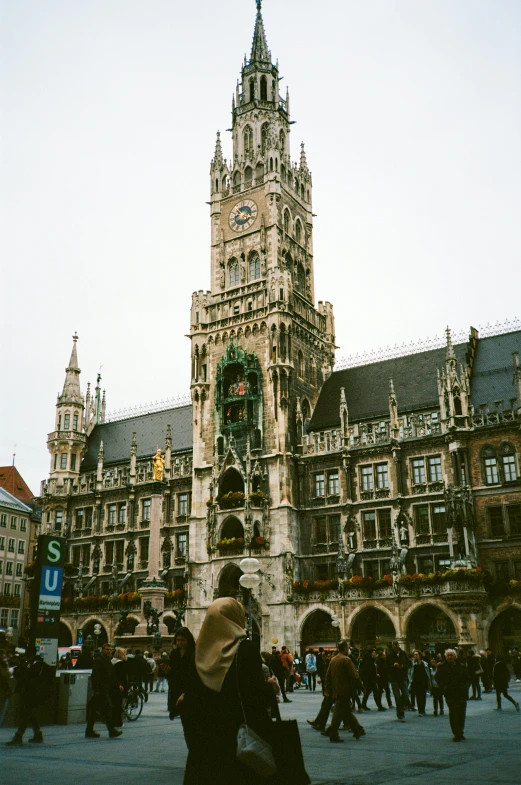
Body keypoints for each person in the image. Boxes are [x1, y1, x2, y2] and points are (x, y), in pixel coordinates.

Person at [182, 597, 272, 785]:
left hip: (205, 741)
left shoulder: (196, 655)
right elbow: (255, 697)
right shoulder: (246, 649)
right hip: (237, 737)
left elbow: (191, 700)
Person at [6, 648, 55, 745]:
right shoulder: (31, 663)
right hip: (31, 692)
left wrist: (22, 668)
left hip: (32, 693)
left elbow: (28, 676)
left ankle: (19, 735)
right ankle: (37, 733)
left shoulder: (35, 664)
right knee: (29, 713)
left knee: (26, 713)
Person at [321, 640, 365, 743]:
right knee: (338, 713)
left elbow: (328, 677)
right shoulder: (346, 660)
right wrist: (361, 687)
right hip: (346, 690)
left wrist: (328, 690)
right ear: (345, 648)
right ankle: (333, 734)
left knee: (345, 712)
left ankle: (357, 730)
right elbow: (355, 676)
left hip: (336, 691)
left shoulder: (333, 660)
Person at [85, 643, 123, 739]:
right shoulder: (99, 661)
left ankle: (89, 730)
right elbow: (95, 676)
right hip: (101, 689)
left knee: (94, 710)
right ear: (103, 650)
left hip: (106, 688)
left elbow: (112, 675)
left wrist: (118, 684)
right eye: (107, 649)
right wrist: (96, 689)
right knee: (108, 708)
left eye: (110, 650)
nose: (109, 651)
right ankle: (111, 730)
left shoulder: (107, 660)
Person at [436, 649, 470, 741]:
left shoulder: (462, 666)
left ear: (455, 657)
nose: (450, 657)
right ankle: (456, 733)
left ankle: (461, 731)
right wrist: (443, 687)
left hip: (461, 693)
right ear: (445, 657)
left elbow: (467, 678)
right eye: (448, 655)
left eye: (451, 655)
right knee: (454, 712)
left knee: (461, 713)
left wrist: (465, 687)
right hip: (450, 693)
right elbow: (438, 678)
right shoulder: (442, 667)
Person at [168, 627, 196, 721]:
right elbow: (172, 673)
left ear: (188, 640)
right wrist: (167, 671)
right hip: (177, 688)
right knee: (183, 718)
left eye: (182, 640)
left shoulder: (194, 653)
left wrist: (185, 693)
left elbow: (194, 674)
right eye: (177, 640)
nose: (179, 643)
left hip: (190, 688)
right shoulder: (174, 653)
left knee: (190, 717)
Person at [387, 640, 409, 722]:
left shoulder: (403, 654)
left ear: (399, 645)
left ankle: (402, 706)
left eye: (396, 645)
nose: (395, 646)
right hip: (394, 678)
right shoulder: (389, 655)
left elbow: (408, 664)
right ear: (392, 646)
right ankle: (400, 713)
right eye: (394, 645)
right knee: (397, 696)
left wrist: (402, 666)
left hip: (403, 677)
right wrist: (393, 666)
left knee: (406, 694)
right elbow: (387, 667)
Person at [409, 650, 431, 716]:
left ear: (420, 656)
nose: (415, 656)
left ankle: (423, 710)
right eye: (414, 655)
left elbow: (427, 673)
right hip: (415, 682)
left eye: (417, 654)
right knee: (418, 697)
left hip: (423, 682)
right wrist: (411, 680)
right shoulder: (412, 664)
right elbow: (409, 673)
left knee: (423, 696)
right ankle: (420, 711)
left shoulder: (424, 663)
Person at [111, 647, 128, 728]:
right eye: (124, 653)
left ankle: (115, 720)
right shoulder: (121, 663)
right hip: (120, 685)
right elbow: (122, 676)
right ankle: (118, 721)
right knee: (118, 704)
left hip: (112, 685)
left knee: (114, 703)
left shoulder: (111, 661)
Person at [0, 649, 13, 728]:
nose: (7, 659)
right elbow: (6, 674)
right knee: (1, 712)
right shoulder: (3, 665)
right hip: (2, 692)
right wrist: (12, 669)